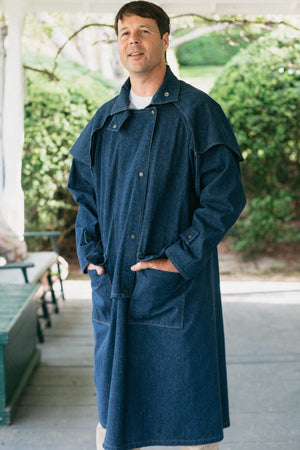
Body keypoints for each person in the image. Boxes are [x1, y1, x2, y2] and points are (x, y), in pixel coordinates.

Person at [68, 2, 246, 449]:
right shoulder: (106, 119)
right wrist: (91, 258)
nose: (133, 41)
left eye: (143, 31)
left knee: (188, 426)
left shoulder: (199, 111)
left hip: (175, 291)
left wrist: (177, 258)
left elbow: (224, 197)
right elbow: (84, 197)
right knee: (114, 421)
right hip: (115, 289)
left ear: (164, 40)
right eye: (124, 32)